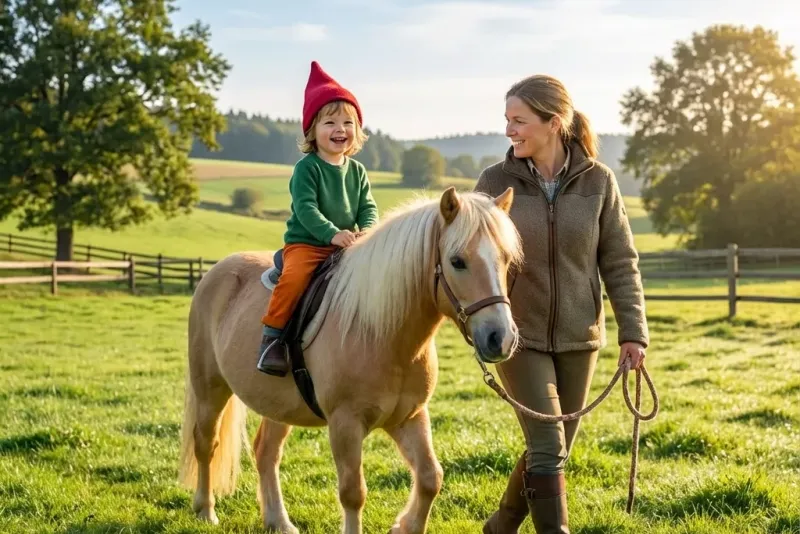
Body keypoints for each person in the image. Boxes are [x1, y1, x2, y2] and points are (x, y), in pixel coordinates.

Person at [475, 74, 650, 533]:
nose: (510, 131)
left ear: (554, 123)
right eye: (507, 120)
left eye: (520, 121)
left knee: (550, 448)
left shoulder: (599, 182)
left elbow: (619, 261)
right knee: (549, 444)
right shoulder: (494, 182)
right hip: (519, 335)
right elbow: (472, 258)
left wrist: (634, 333)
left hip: (580, 336)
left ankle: (502, 524)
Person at [257, 61, 378, 377]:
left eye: (348, 122)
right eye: (330, 122)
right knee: (294, 279)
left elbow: (367, 207)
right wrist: (332, 234)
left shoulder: (358, 171)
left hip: (349, 245)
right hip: (308, 244)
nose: (340, 130)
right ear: (312, 130)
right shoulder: (307, 168)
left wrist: (367, 230)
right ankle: (273, 338)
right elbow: (307, 210)